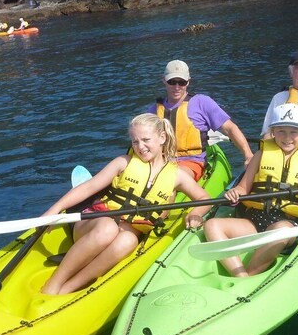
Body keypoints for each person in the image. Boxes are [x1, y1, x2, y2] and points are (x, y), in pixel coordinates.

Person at [40, 113, 213, 295]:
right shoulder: (123, 162)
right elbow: (88, 187)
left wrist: (195, 214)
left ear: (162, 138)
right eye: (135, 141)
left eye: (146, 140)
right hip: (93, 224)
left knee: (129, 240)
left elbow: (204, 199)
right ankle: (53, 284)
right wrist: (55, 210)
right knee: (108, 228)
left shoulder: (177, 176)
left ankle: (69, 288)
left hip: (125, 231)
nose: (140, 147)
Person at [203, 103, 298, 277]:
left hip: (287, 225)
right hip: (253, 221)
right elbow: (243, 188)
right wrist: (234, 193)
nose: (288, 137)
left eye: (294, 132)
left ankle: (250, 273)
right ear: (272, 132)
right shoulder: (260, 155)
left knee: (280, 232)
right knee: (211, 225)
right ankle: (241, 275)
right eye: (281, 131)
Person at [149, 60, 254, 180]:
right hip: (161, 161)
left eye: (182, 82)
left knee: (170, 178)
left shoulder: (202, 102)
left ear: (188, 82)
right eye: (172, 82)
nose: (177, 87)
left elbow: (230, 129)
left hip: (191, 162)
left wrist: (248, 155)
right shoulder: (154, 110)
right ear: (164, 80)